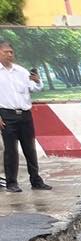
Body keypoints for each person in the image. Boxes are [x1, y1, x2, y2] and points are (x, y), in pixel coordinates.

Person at [0, 38, 50, 194]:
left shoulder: (21, 71)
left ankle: (36, 180)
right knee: (11, 151)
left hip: (25, 115)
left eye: (11, 52)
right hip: (7, 115)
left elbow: (34, 88)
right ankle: (12, 183)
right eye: (6, 52)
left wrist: (38, 80)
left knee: (30, 148)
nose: (10, 55)